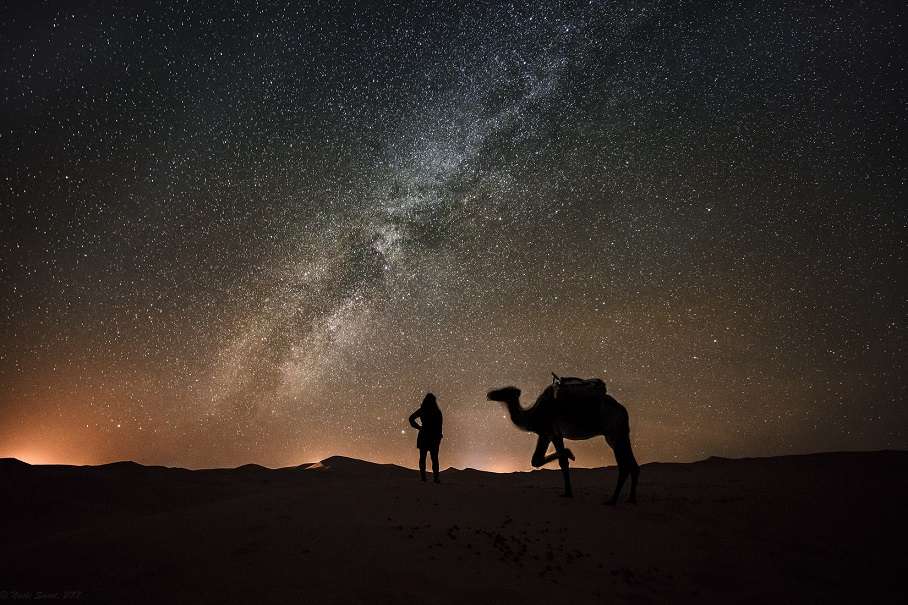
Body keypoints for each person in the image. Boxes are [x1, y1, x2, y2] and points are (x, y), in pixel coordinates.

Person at [408, 393, 443, 483]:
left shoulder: (423, 410)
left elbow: (411, 419)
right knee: (434, 458)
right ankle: (435, 478)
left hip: (424, 435)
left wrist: (419, 427)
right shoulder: (437, 412)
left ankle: (423, 478)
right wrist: (439, 436)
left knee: (423, 457)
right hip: (434, 436)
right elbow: (440, 426)